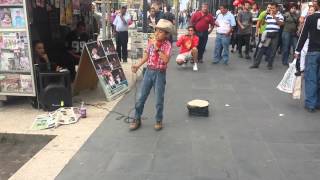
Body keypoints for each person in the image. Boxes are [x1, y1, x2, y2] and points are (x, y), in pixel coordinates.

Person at [130, 19, 173, 131]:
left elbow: (166, 60)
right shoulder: (151, 41)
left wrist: (157, 48)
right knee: (141, 97)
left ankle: (159, 120)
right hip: (149, 72)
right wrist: (138, 65)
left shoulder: (167, 45)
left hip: (160, 73)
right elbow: (146, 56)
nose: (157, 33)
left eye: (160, 31)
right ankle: (137, 118)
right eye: (157, 30)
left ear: (166, 34)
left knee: (159, 99)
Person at [294, 0, 320, 112]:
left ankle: (310, 103)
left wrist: (297, 50)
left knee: (310, 78)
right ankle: (318, 102)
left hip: (313, 50)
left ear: (317, 5)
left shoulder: (311, 17)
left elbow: (303, 35)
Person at [250, 2, 284, 70]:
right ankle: (256, 64)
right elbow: (263, 23)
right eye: (271, 8)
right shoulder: (267, 15)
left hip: (275, 34)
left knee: (273, 50)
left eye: (273, 8)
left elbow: (281, 24)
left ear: (277, 8)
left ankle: (269, 64)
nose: (271, 9)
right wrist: (262, 20)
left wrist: (274, 16)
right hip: (267, 33)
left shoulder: (280, 15)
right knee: (261, 49)